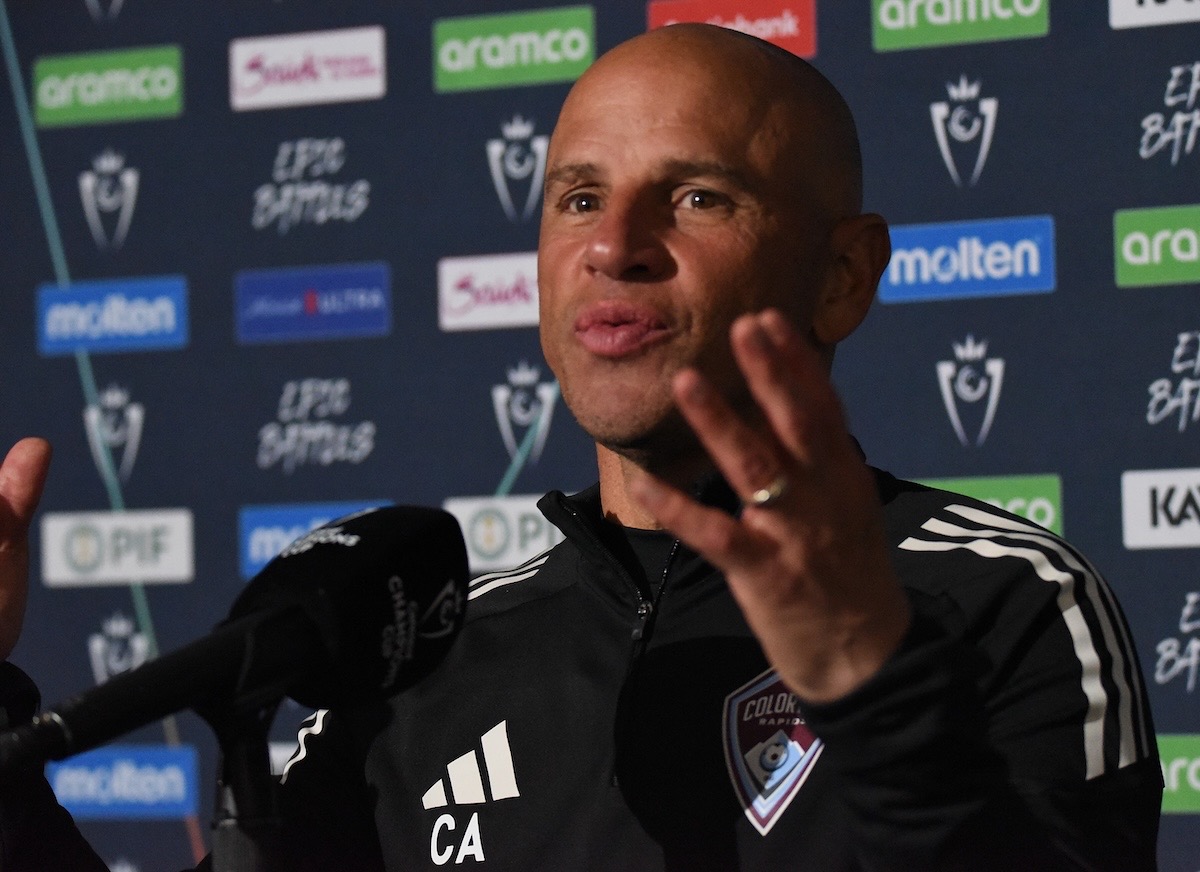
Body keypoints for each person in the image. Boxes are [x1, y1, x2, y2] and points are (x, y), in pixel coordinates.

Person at [0, 23, 1161, 871]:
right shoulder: (424, 644)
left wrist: (876, 688)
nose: (615, 246)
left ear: (843, 274)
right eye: (576, 198)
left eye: (698, 197)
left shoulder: (1004, 595)